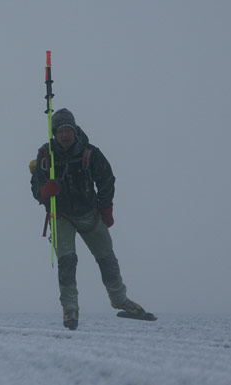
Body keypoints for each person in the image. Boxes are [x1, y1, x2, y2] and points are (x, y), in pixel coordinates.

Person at [30, 108, 156, 330]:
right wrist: (44, 192)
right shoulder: (45, 155)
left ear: (75, 131)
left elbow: (107, 179)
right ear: (55, 133)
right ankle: (70, 308)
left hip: (90, 214)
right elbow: (36, 186)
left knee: (107, 258)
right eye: (60, 131)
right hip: (61, 216)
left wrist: (105, 208)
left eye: (68, 129)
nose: (65, 135)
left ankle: (119, 299)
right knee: (67, 261)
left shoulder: (90, 153)